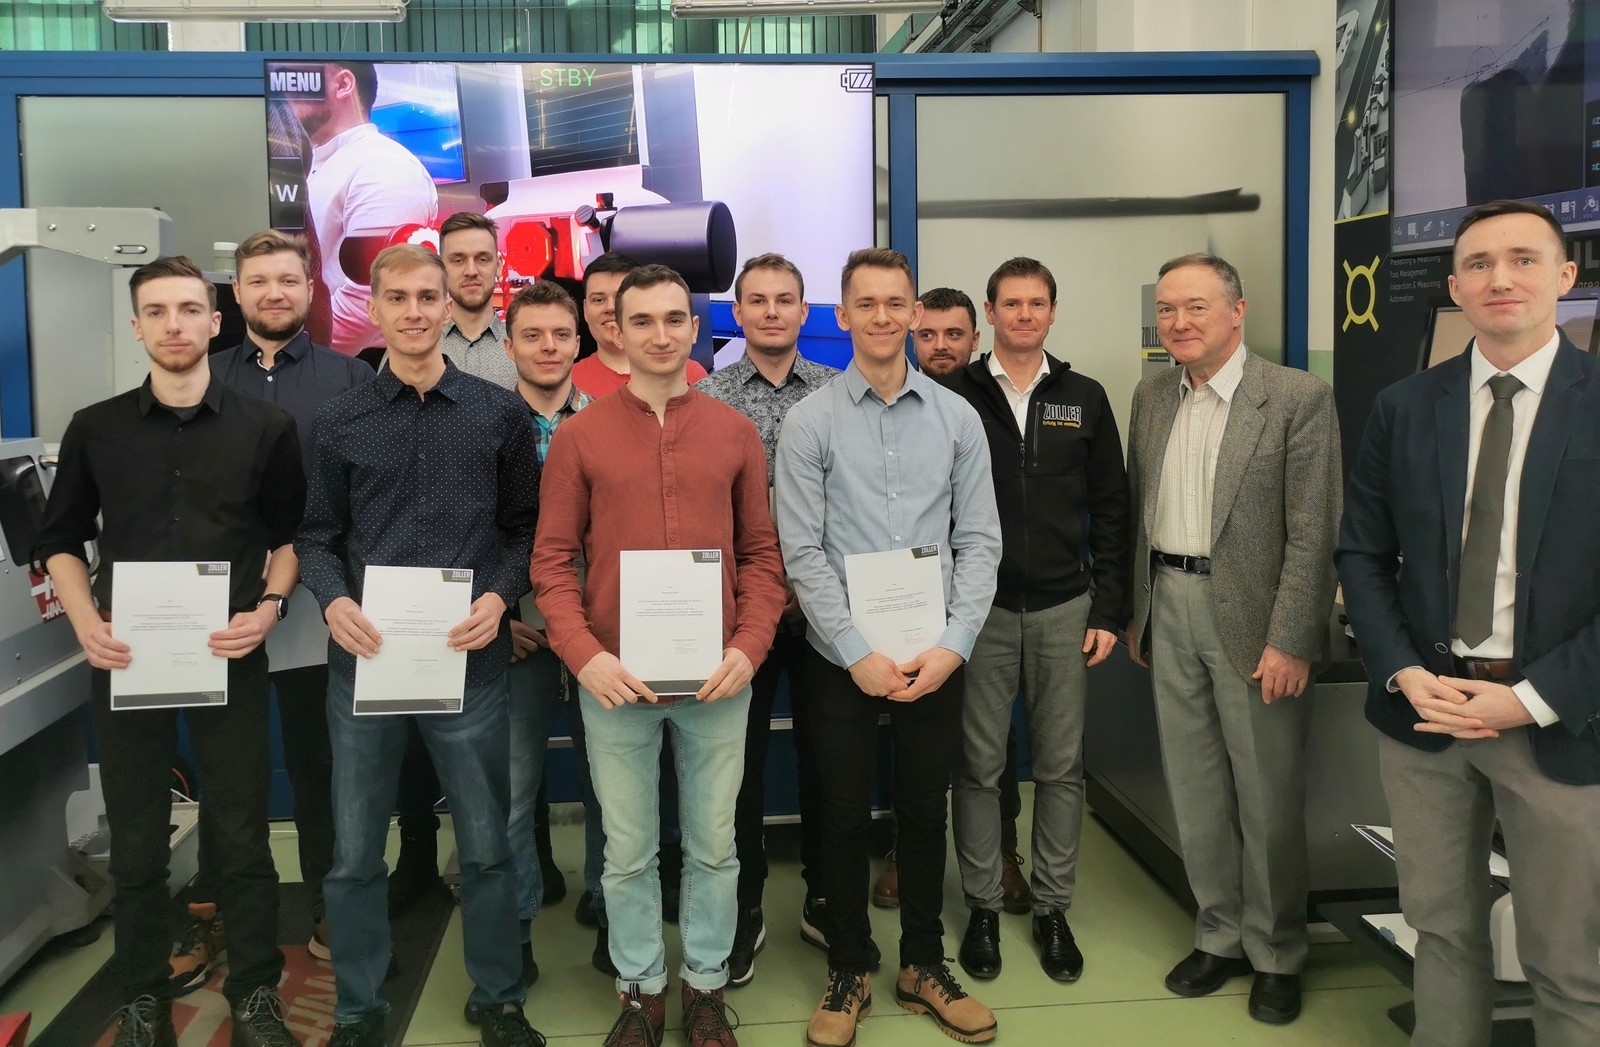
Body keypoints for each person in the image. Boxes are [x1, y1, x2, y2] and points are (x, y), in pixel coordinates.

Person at [1337, 199, 1600, 1047]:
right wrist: (1403, 670)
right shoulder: (1406, 406)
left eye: (1523, 259)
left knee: (1569, 962)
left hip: (1560, 723)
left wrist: (1528, 699)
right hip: (1429, 716)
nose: (1500, 278)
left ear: (1565, 276)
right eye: (1479, 264)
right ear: (1454, 287)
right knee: (1442, 934)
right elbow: (1362, 553)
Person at [35, 256, 305, 1047]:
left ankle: (255, 992)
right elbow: (58, 539)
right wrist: (85, 619)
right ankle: (144, 997)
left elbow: (292, 537)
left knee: (242, 833)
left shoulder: (266, 426)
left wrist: (269, 608)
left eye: (190, 309)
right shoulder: (96, 428)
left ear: (216, 322)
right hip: (128, 656)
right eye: (157, 311)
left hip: (230, 651)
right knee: (138, 841)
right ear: (137, 326)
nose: (175, 324)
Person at [531, 264, 785, 1047]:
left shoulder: (735, 433)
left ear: (695, 326)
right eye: (642, 319)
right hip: (615, 682)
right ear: (615, 328)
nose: (661, 333)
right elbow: (551, 562)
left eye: (675, 318)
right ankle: (640, 989)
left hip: (718, 681)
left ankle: (705, 985)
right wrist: (584, 656)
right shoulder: (579, 436)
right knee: (628, 853)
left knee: (715, 847)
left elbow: (762, 555)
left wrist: (750, 645)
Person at [295, 244, 543, 1047]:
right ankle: (359, 1008)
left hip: (469, 661)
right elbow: (316, 535)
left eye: (427, 296)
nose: (413, 311)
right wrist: (333, 599)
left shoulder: (498, 413)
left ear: (449, 305)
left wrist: (499, 597)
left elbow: (524, 530)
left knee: (488, 845)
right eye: (396, 297)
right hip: (364, 662)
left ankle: (499, 997)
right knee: (355, 851)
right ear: (373, 307)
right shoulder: (339, 420)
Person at [775, 248, 1002, 1047]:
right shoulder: (810, 422)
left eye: (894, 302)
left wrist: (955, 644)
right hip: (841, 654)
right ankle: (850, 966)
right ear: (842, 315)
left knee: (922, 809)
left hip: (933, 650)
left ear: (914, 313)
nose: (881, 316)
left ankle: (923, 963)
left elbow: (980, 540)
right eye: (864, 303)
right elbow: (801, 550)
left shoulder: (957, 419)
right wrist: (852, 649)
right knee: (840, 813)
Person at [1126, 253, 1341, 1025]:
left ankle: (1277, 950)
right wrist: (1139, 613)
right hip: (1169, 603)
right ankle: (1218, 933)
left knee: (1266, 792)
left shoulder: (1296, 398)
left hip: (1254, 618)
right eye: (1168, 309)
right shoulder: (1152, 395)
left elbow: (1314, 531)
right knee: (1194, 787)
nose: (1179, 322)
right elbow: (1138, 507)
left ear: (1237, 311)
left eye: (1196, 307)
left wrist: (1292, 637)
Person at [162, 231, 372, 986]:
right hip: (220, 605)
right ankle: (217, 907)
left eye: (288, 279)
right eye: (258, 281)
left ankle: (328, 901)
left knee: (319, 763)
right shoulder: (202, 376)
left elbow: (365, 490)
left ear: (310, 290)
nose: (274, 292)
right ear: (236, 294)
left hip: (320, 602)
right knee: (229, 768)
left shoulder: (352, 379)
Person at [943, 259, 1130, 984]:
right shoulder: (954, 394)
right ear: (989, 313)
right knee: (979, 768)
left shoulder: (1084, 397)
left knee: (1059, 768)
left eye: (1037, 303)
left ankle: (1053, 908)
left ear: (1053, 312)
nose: (1024, 314)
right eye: (1011, 303)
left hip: (1065, 608)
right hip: (979, 611)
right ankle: (984, 907)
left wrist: (1109, 607)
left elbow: (1111, 507)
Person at [694, 252, 839, 987]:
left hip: (825, 615)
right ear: (738, 312)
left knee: (827, 760)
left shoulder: (839, 392)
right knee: (738, 770)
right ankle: (744, 907)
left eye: (786, 299)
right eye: (758, 299)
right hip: (737, 619)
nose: (773, 311)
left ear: (805, 312)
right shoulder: (707, 398)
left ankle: (822, 893)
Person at [876, 288, 1031, 916]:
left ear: (975, 338)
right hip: (899, 606)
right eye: (929, 334)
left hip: (984, 599)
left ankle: (1001, 851)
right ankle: (903, 850)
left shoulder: (989, 405)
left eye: (954, 335)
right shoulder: (889, 403)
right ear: (913, 333)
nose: (941, 346)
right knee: (907, 732)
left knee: (988, 737)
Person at [497, 279, 608, 988]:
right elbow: (466, 528)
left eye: (561, 335)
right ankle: (515, 930)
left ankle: (605, 896)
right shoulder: (481, 424)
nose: (547, 347)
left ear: (579, 342)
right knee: (512, 790)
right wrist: (495, 612)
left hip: (599, 633)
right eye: (532, 335)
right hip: (517, 635)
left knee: (610, 782)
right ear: (508, 345)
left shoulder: (607, 422)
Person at [289, 60, 438, 355]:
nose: (287, 92)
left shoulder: (384, 166)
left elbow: (369, 300)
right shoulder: (313, 165)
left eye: (300, 79)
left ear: (343, 84)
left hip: (359, 365)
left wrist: (297, 356)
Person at [571, 252, 707, 396]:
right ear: (585, 309)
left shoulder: (692, 375)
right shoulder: (569, 382)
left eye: (618, 298)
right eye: (598, 300)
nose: (610, 307)